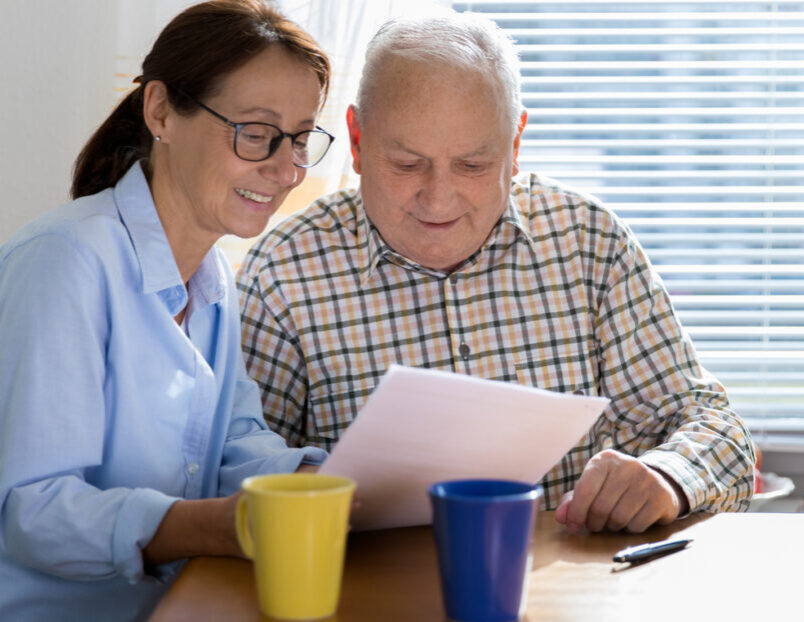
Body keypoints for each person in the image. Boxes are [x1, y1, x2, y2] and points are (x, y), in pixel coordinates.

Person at [0, 2, 334, 622]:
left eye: (301, 138)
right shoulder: (64, 260)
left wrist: (325, 484)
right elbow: (35, 510)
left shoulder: (213, 276)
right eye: (256, 133)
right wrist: (220, 525)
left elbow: (240, 443)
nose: (286, 170)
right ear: (160, 112)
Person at [237, 12, 756, 536]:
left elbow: (717, 428)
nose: (438, 199)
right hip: (360, 596)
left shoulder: (588, 244)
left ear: (514, 146)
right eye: (407, 164)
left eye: (473, 166)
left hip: (567, 597)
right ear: (356, 140)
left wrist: (666, 478)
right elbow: (233, 476)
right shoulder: (283, 272)